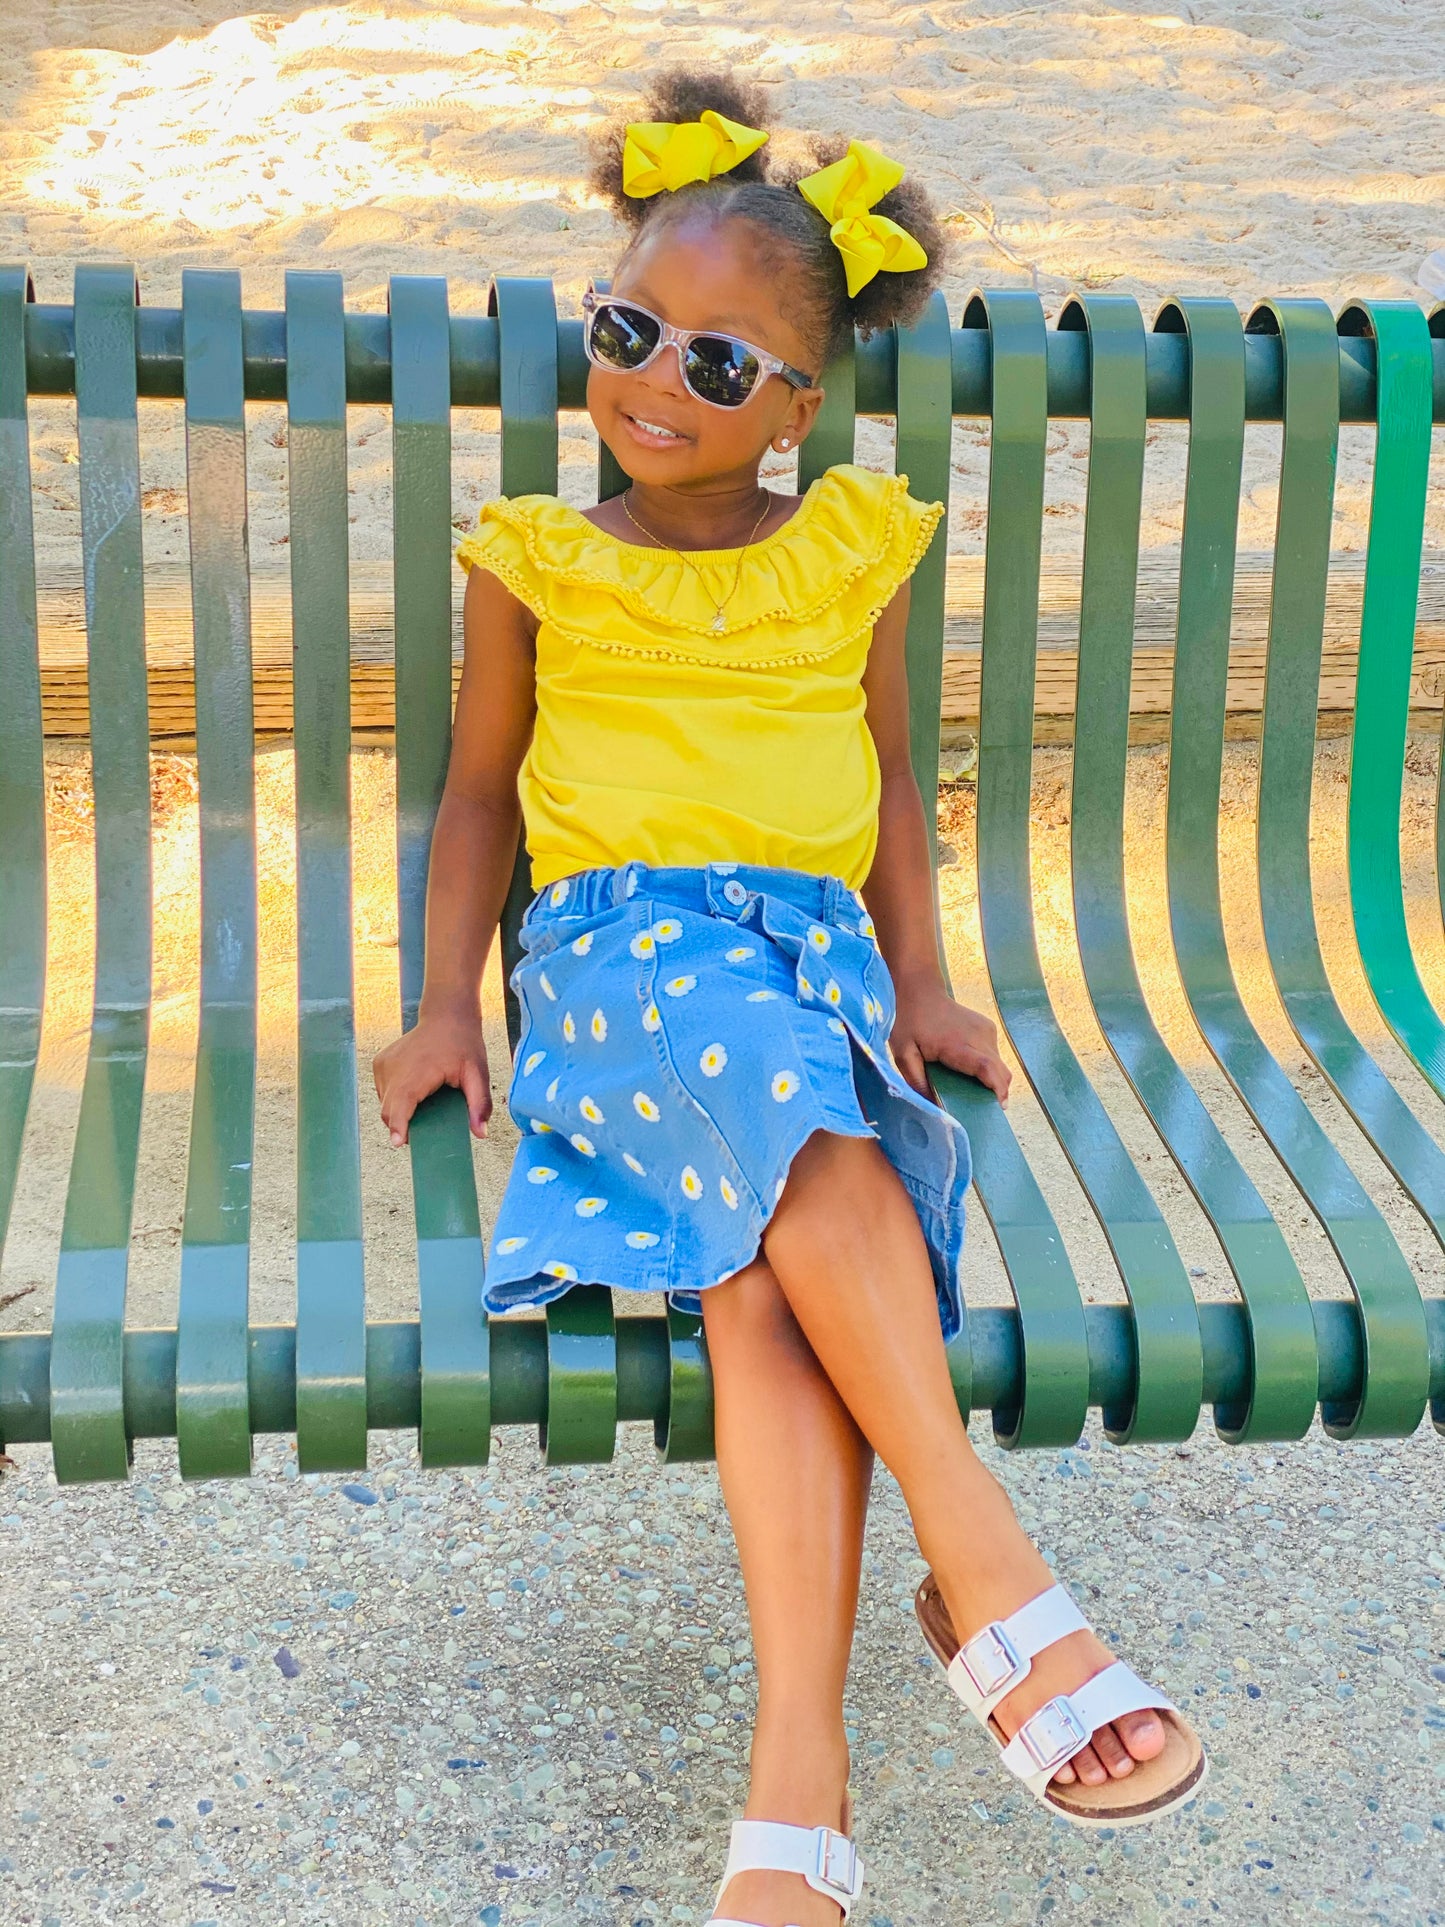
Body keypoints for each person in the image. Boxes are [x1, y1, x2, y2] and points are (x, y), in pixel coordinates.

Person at [372, 67, 1205, 1927]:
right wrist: (443, 1002)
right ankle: (988, 1567)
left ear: (798, 405)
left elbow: (891, 787)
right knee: (807, 1129)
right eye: (625, 331)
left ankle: (797, 1774)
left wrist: (919, 976)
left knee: (765, 1296)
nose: (657, 382)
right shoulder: (539, 561)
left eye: (718, 364)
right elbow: (480, 794)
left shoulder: (852, 550)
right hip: (613, 960)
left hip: (808, 965)